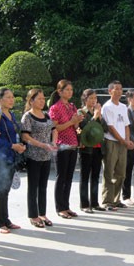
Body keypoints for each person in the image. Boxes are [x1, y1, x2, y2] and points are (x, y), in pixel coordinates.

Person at [0, 88, 26, 234]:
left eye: (12, 97)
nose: (12, 100)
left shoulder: (11, 115)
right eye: (8, 97)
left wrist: (19, 146)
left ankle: (5, 220)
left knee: (6, 189)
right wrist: (12, 146)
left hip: (10, 156)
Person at [21, 89, 57, 228]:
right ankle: (33, 215)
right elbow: (25, 136)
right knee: (33, 187)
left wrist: (53, 142)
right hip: (33, 156)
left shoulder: (46, 115)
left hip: (46, 156)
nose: (43, 101)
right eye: (39, 99)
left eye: (43, 98)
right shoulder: (27, 117)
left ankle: (42, 213)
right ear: (31, 101)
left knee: (43, 187)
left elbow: (54, 130)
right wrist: (42, 144)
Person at [49, 80, 84, 219]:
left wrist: (77, 122)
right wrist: (71, 122)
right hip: (61, 145)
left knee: (69, 177)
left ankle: (66, 206)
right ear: (60, 91)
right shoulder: (55, 108)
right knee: (61, 177)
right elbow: (55, 128)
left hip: (73, 144)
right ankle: (60, 207)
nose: (70, 92)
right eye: (67, 89)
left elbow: (75, 127)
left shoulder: (72, 106)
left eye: (71, 89)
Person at [101, 81, 134, 210]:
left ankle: (116, 199)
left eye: (121, 89)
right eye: (116, 89)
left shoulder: (123, 107)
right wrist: (122, 140)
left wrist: (127, 140)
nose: (119, 91)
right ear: (110, 91)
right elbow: (110, 127)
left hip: (122, 143)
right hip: (111, 142)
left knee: (121, 173)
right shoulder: (107, 107)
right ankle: (107, 201)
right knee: (109, 171)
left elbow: (126, 125)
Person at [78, 89, 107, 213]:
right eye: (91, 98)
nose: (94, 101)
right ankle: (84, 204)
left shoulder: (97, 112)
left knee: (95, 176)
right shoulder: (81, 112)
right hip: (87, 148)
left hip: (98, 147)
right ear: (85, 99)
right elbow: (85, 128)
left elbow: (105, 128)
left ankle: (94, 202)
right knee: (84, 176)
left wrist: (99, 116)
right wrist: (95, 116)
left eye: (95, 98)